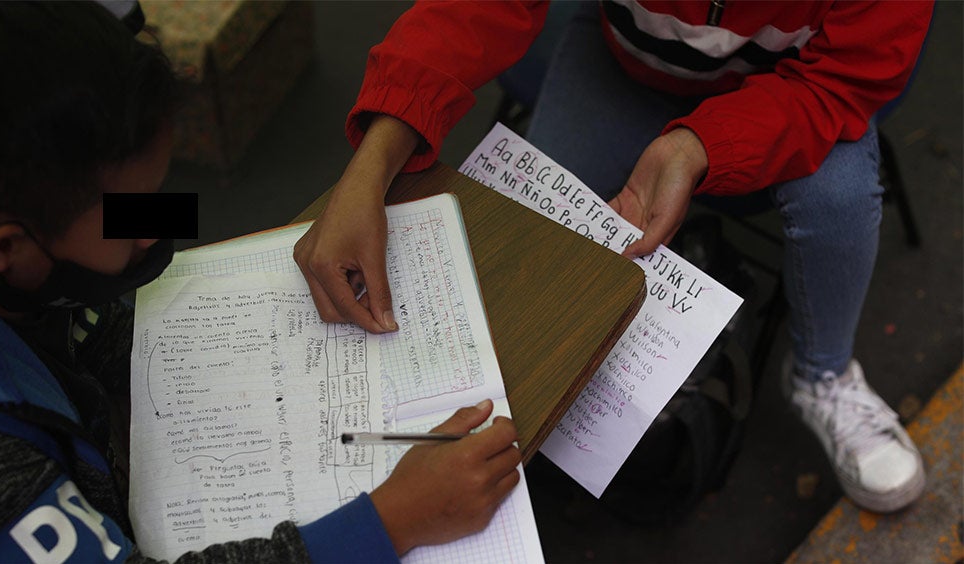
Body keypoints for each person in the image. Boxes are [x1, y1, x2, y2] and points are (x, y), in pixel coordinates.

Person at [292, 0, 934, 513]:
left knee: (842, 198)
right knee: (528, 269)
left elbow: (844, 82)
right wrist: (372, 164)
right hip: (625, 67)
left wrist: (699, 144)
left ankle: (823, 375)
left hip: (793, 87)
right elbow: (474, 7)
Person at [0, 2, 520, 563]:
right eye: (128, 214)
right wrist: (391, 522)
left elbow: (88, 331)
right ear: (5, 250)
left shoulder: (28, 259)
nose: (161, 228)